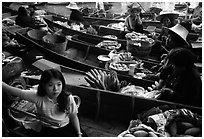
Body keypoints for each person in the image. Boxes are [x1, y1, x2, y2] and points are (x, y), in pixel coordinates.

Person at [2, 68, 85, 137]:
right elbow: (12, 90)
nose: (56, 89)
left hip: (66, 126)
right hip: (48, 130)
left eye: (59, 84)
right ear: (43, 85)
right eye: (50, 85)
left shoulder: (68, 98)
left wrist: (79, 133)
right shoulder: (37, 97)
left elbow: (73, 116)